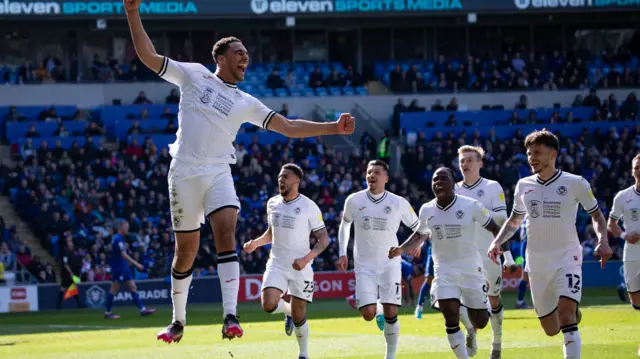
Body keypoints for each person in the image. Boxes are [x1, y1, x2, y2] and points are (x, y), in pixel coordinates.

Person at [122, 0, 355, 343]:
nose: (245, 57)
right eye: (238, 52)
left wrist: (334, 128)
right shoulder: (193, 74)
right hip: (184, 172)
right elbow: (148, 57)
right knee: (185, 252)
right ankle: (178, 322)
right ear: (220, 58)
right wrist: (131, 12)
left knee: (226, 231)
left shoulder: (246, 101)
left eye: (246, 52)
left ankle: (231, 315)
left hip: (218, 171)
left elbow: (289, 126)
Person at [488, 129, 613, 359]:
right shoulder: (523, 185)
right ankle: (573, 311)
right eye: (528, 153)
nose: (531, 158)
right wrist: (497, 242)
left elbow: (597, 215)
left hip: (567, 256)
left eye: (537, 152)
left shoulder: (576, 183)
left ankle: (570, 313)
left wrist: (603, 241)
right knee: (550, 329)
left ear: (553, 154)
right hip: (537, 262)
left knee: (565, 317)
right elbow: (515, 220)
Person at [389, 167, 500, 359]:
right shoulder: (427, 209)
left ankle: (473, 329)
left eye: (443, 179)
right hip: (444, 270)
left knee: (481, 321)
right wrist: (401, 249)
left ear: (453, 183)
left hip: (470, 268)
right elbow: (419, 234)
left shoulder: (471, 205)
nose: (438, 182)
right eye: (435, 180)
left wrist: (501, 250)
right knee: (449, 315)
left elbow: (494, 227)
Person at [243, 164, 329, 359]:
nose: (281, 180)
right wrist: (256, 243)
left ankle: (303, 354)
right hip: (278, 263)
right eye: (280, 176)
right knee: (268, 304)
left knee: (300, 316)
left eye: (286, 177)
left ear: (296, 180)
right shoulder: (272, 203)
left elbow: (323, 239)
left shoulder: (309, 206)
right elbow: (272, 232)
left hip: (301, 266)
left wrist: (306, 259)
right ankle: (287, 310)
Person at [337, 160, 419, 359]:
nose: (371, 175)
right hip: (363, 265)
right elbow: (345, 225)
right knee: (368, 314)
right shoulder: (354, 200)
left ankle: (390, 355)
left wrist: (417, 245)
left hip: (390, 263)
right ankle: (379, 309)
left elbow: (419, 227)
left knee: (392, 311)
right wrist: (342, 252)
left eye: (376, 172)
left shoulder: (398, 202)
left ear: (386, 178)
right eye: (368, 172)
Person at [455, 145, 515, 359]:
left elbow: (501, 219)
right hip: (463, 256)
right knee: (459, 300)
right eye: (462, 160)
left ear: (480, 163)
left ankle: (496, 344)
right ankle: (470, 331)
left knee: (494, 299)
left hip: (488, 253)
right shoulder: (453, 190)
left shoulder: (492, 187)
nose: (465, 164)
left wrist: (475, 209)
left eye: (470, 160)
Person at [104, 220, 156, 319]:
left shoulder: (122, 238)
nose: (127, 228)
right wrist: (136, 264)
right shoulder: (117, 238)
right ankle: (107, 312)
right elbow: (123, 255)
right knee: (114, 289)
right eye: (125, 226)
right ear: (120, 227)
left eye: (127, 226)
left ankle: (142, 309)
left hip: (124, 267)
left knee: (132, 286)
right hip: (119, 267)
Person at [607, 153, 640, 310]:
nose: (639, 170)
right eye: (636, 168)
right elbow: (611, 224)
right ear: (632, 171)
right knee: (635, 299)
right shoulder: (623, 196)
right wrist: (625, 235)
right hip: (632, 249)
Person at [57, 238, 84, 309]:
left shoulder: (72, 252)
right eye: (69, 242)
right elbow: (65, 264)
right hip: (66, 274)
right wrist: (70, 272)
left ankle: (58, 305)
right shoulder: (65, 252)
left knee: (66, 288)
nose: (71, 243)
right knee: (67, 287)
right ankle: (79, 305)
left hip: (71, 273)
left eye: (71, 242)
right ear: (67, 244)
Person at [515, 219, 532, 309]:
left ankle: (520, 301)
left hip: (525, 246)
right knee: (526, 276)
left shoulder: (524, 219)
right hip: (529, 247)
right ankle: (520, 302)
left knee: (526, 276)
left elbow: (521, 236)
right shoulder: (530, 217)